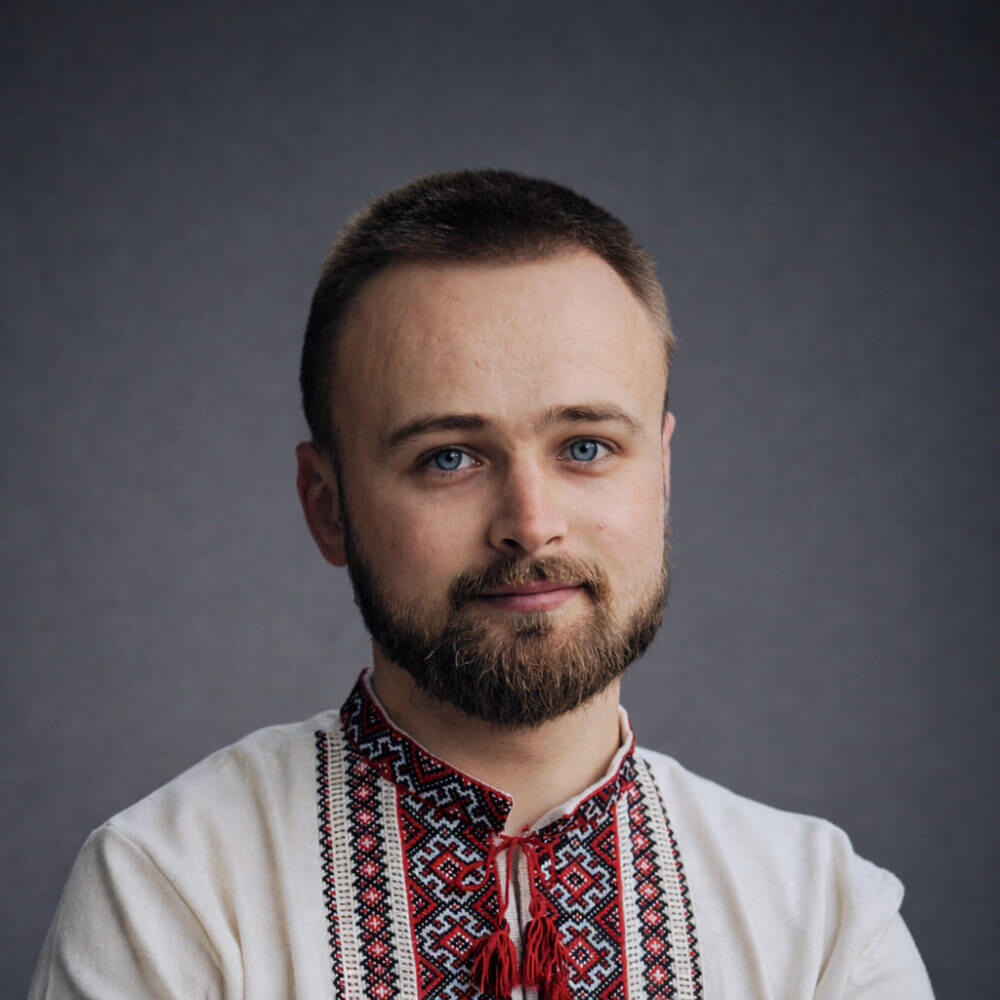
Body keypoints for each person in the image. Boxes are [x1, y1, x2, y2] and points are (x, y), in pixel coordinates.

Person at [28, 170, 935, 999]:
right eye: (450, 457)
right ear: (327, 506)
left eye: (587, 446)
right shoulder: (174, 891)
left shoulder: (826, 924)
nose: (530, 523)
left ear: (661, 474)